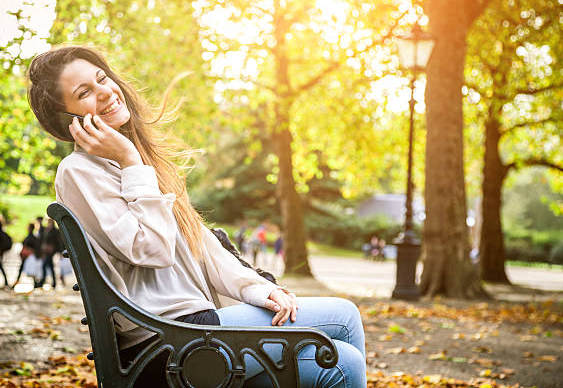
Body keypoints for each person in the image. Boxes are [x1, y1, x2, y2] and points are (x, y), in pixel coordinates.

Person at [27, 46, 366, 387]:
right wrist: (131, 162)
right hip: (167, 344)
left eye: (102, 78)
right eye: (84, 92)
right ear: (67, 120)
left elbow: (201, 246)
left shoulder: (139, 164)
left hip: (194, 333)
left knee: (343, 365)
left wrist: (260, 289)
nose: (104, 91)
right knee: (345, 318)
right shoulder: (80, 172)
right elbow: (153, 250)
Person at [13, 222, 39, 287]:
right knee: (22, 269)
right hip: (26, 255)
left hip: (29, 256)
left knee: (28, 269)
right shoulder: (31, 237)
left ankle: (35, 283)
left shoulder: (31, 238)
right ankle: (35, 283)